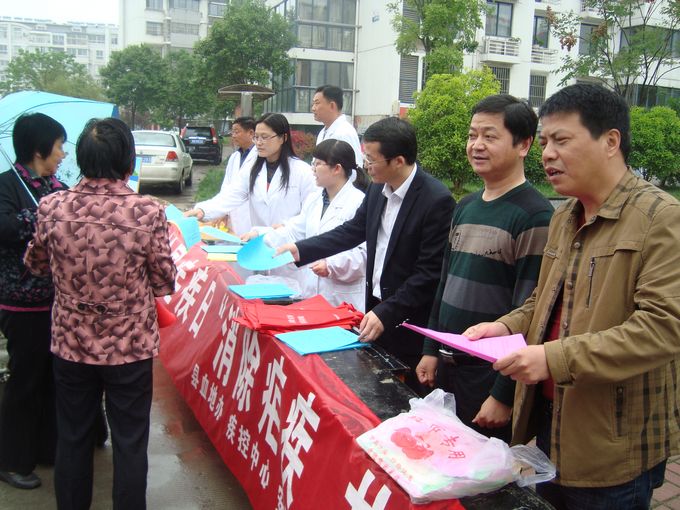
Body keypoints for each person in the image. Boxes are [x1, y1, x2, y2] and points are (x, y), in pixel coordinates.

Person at [464, 83, 680, 510]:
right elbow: (544, 301)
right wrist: (505, 326)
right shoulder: (565, 216)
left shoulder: (660, 218)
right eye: (545, 142)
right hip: (551, 423)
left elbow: (663, 328)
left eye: (561, 140)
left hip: (613, 440)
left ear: (610, 142)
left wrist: (552, 359)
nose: (547, 154)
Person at [24, 117, 177, 509]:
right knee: (130, 442)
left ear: (82, 158)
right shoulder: (146, 211)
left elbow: (36, 265)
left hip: (71, 343)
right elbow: (163, 281)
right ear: (127, 159)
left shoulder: (52, 206)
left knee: (73, 437)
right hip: (128, 347)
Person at [277, 117, 455, 392]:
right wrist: (302, 249)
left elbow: (428, 274)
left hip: (409, 318)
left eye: (371, 159)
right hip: (375, 309)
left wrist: (387, 312)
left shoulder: (435, 200)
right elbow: (352, 231)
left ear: (398, 161)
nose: (365, 166)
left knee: (403, 392)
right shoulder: (376, 188)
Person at [415, 95, 553, 442]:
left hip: (489, 375)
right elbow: (444, 283)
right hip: (448, 365)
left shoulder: (535, 216)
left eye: (489, 136)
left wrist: (502, 394)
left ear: (524, 145)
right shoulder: (466, 206)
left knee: (483, 467)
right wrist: (431, 350)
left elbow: (531, 313)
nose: (476, 145)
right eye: (472, 135)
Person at [0, 112, 66, 490]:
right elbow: (6, 228)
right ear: (39, 149)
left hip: (57, 302)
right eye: (58, 146)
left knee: (51, 378)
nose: (62, 154)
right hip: (21, 303)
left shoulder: (56, 186)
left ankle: (45, 448)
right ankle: (12, 460)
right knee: (24, 381)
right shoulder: (7, 185)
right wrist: (44, 217)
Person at [263, 139, 369, 311]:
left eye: (318, 164)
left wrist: (332, 265)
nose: (312, 169)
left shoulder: (358, 202)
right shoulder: (315, 199)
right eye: (313, 163)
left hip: (342, 295)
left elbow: (363, 253)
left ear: (337, 169)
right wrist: (263, 236)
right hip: (312, 291)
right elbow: (295, 230)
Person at [184, 113, 315, 231]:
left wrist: (284, 229)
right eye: (256, 137)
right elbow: (230, 195)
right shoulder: (252, 169)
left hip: (290, 244)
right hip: (259, 244)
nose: (259, 143)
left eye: (264, 137)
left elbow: (311, 213)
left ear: (283, 138)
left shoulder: (303, 172)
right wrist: (203, 210)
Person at [199, 117, 257, 235]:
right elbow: (226, 186)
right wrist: (223, 212)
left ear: (251, 133)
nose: (233, 136)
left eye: (236, 132)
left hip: (251, 213)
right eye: (232, 132)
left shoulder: (259, 157)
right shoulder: (235, 157)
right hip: (233, 211)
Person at [312, 85, 363, 167]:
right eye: (313, 104)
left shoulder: (345, 132)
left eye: (317, 103)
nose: (313, 108)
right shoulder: (323, 132)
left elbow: (355, 167)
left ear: (332, 105)